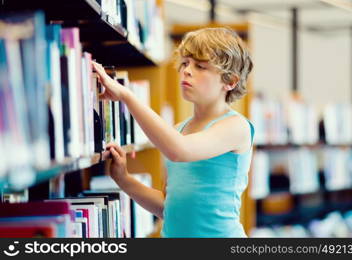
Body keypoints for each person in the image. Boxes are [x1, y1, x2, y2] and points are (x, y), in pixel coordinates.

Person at [92, 27, 255, 238]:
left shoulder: (236, 126)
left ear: (230, 81)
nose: (187, 71)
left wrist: (126, 96)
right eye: (185, 63)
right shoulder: (178, 130)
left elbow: (179, 150)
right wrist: (123, 179)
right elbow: (169, 208)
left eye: (200, 66)